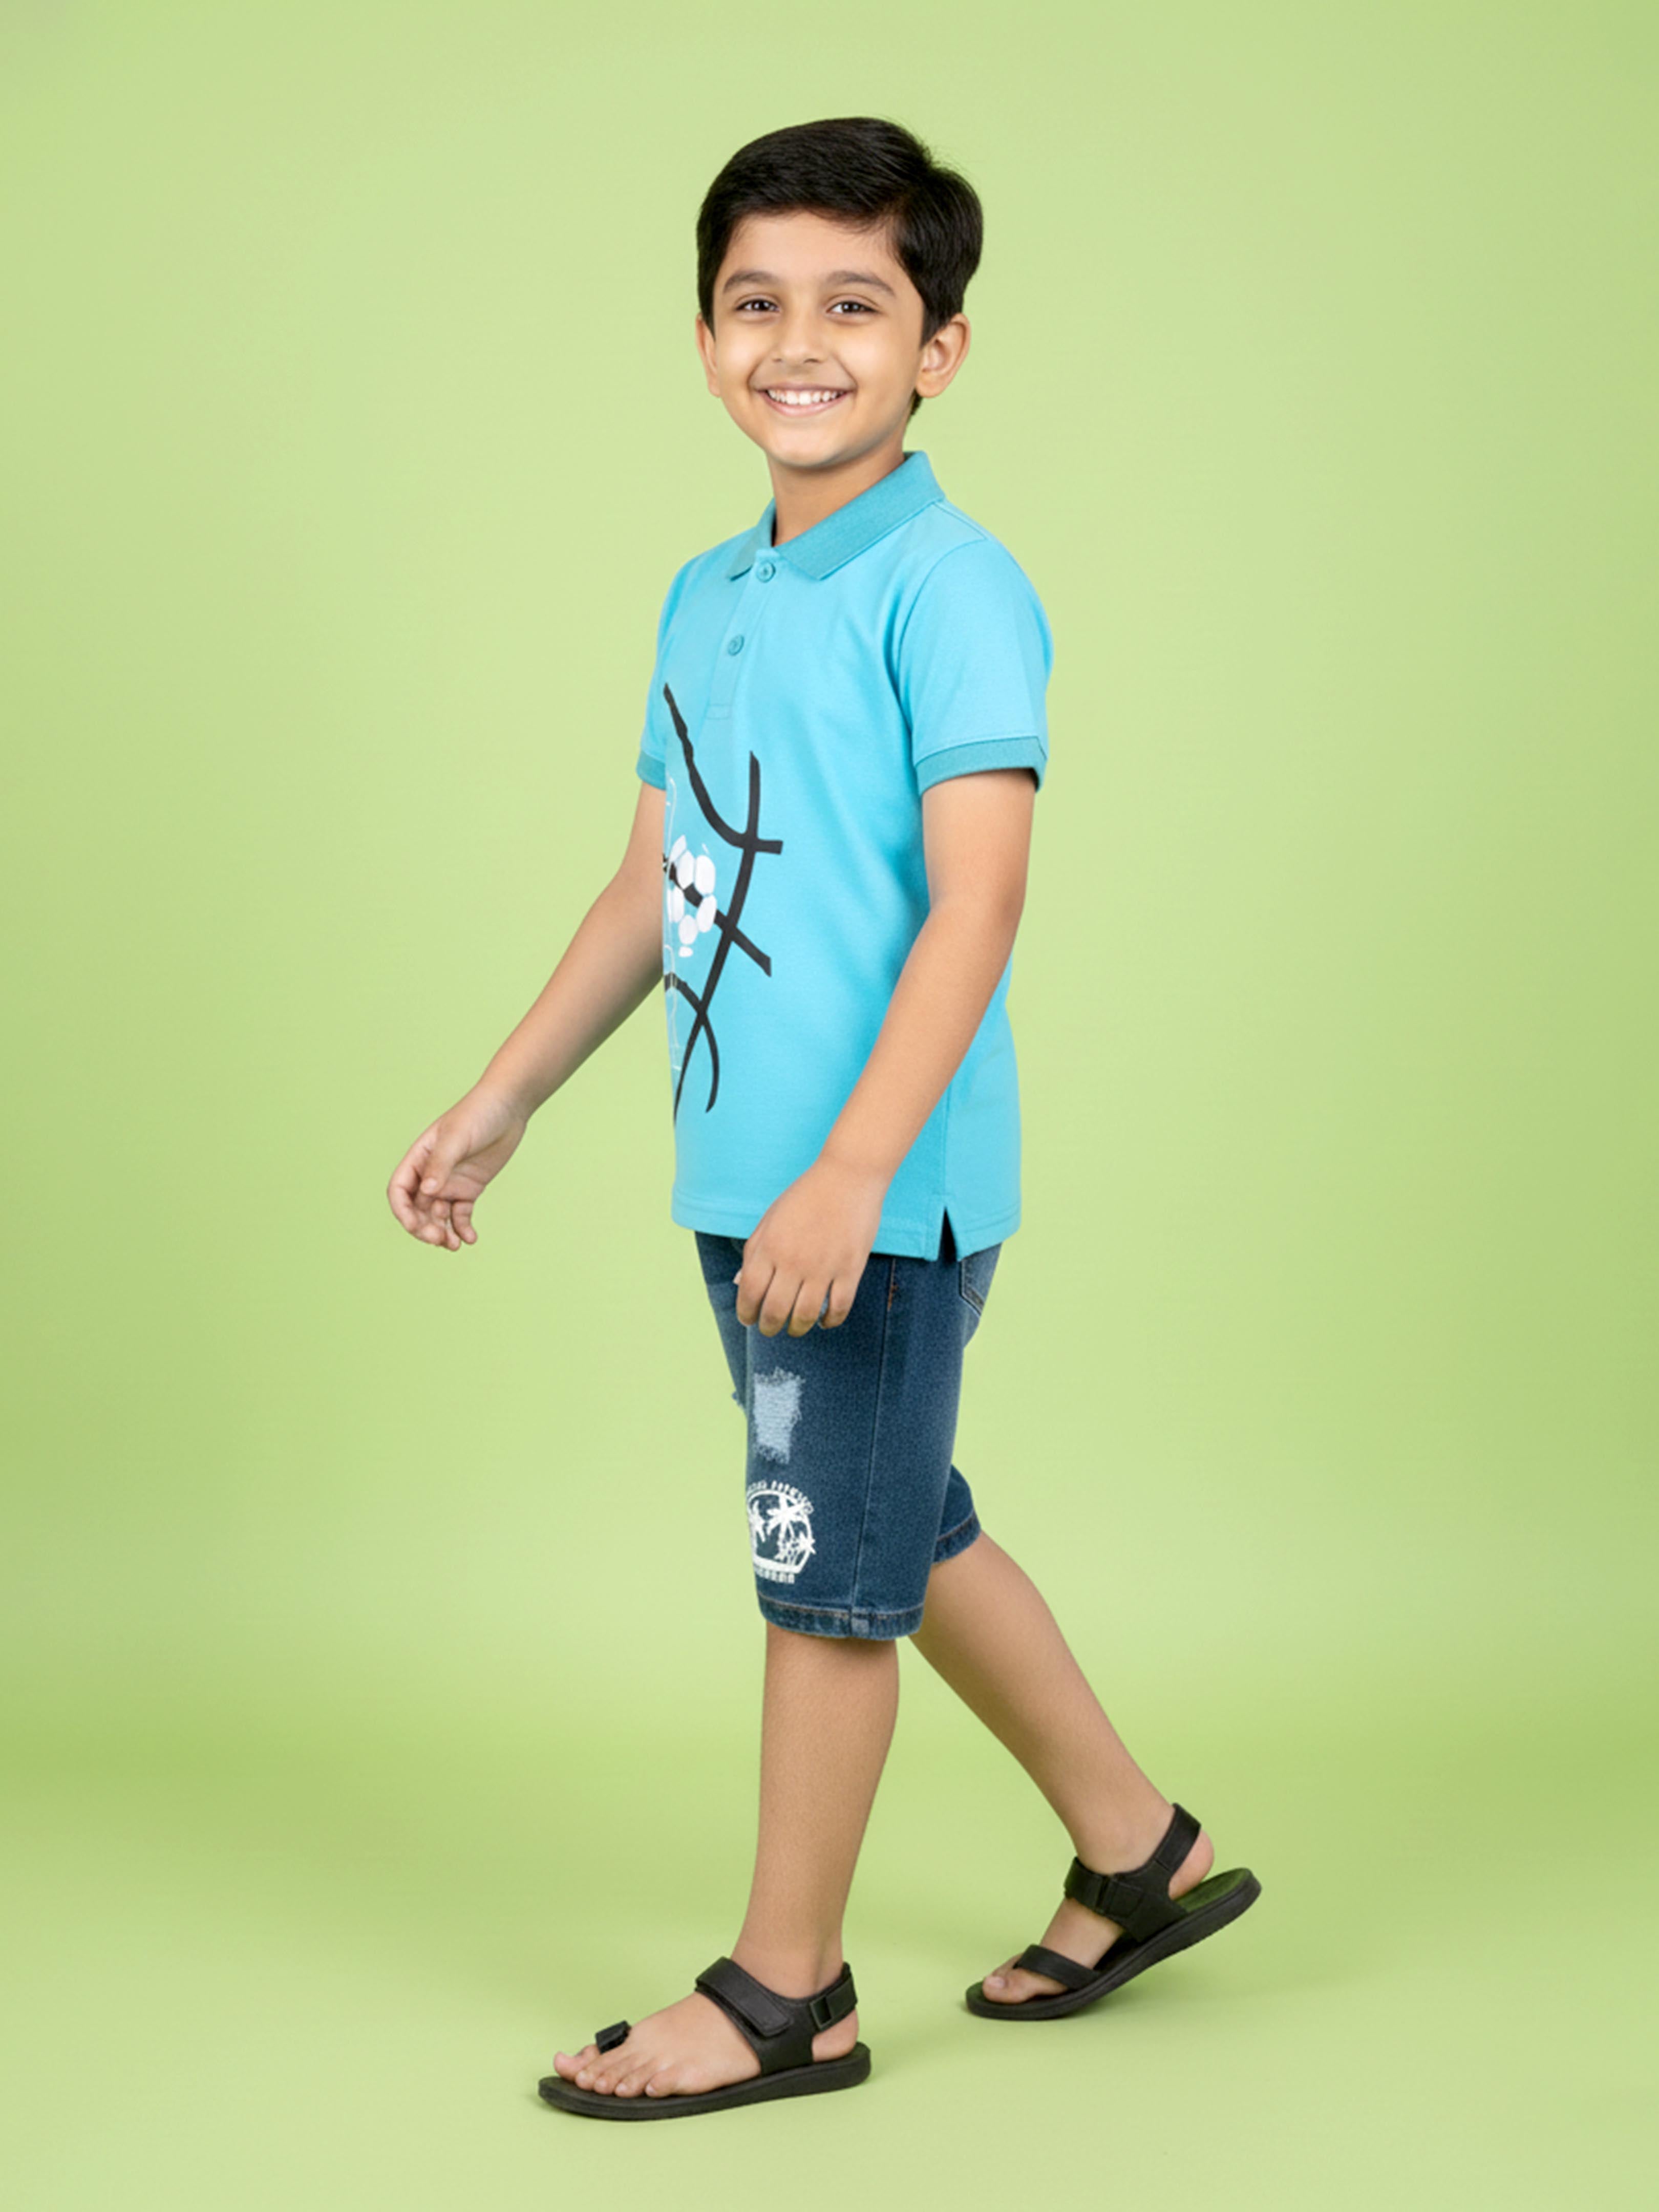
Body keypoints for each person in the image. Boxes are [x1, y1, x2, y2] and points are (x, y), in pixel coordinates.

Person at [387, 115, 1259, 2122]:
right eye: (756, 302)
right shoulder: (708, 591)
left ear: (938, 347)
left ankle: (790, 1995)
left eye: (855, 306)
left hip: (873, 1196)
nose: (800, 343)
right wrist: (506, 1095)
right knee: (895, 1522)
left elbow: (980, 903)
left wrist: (854, 1170)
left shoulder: (953, 587)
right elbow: (655, 882)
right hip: (744, 1181)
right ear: (706, 338)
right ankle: (1141, 1851)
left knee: (824, 1569)